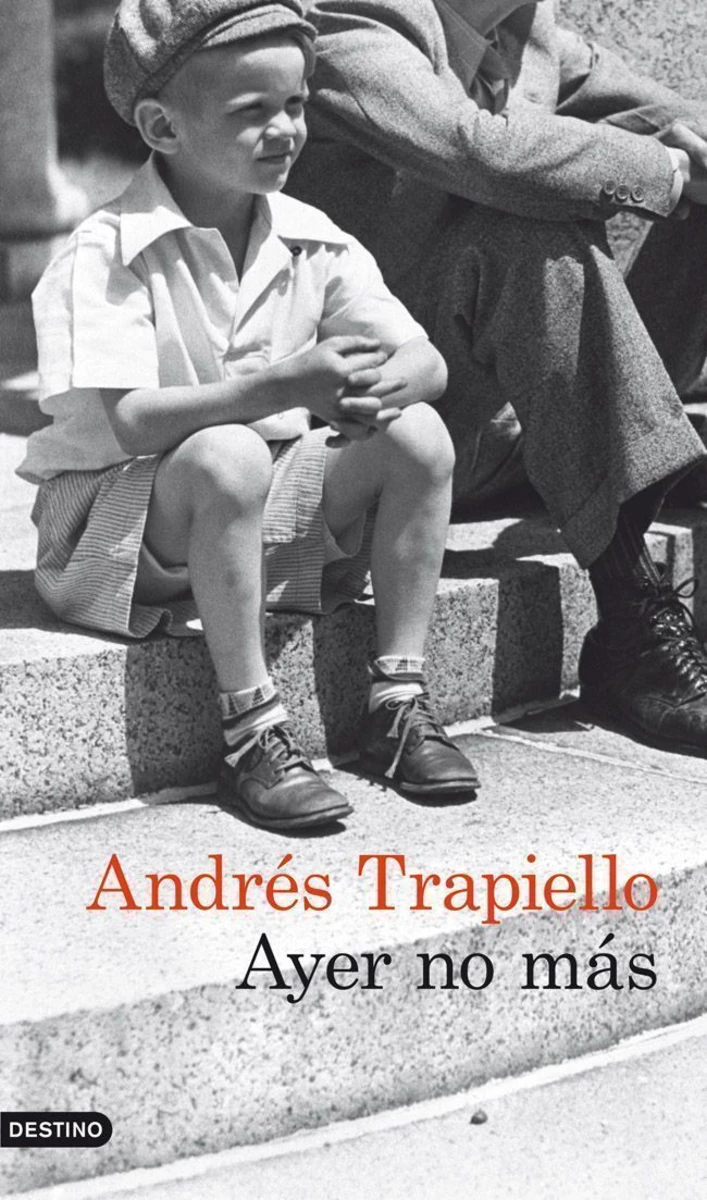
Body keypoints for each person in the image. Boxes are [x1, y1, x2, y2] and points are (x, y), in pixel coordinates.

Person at [17, 0, 481, 831]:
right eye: (252, 110)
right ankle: (250, 731)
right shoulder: (105, 251)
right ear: (162, 127)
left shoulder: (311, 237)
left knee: (417, 433)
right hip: (109, 530)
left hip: (248, 506)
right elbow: (134, 423)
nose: (287, 130)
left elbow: (428, 365)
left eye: (296, 103)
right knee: (228, 451)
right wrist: (286, 385)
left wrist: (373, 391)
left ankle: (396, 699)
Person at [287, 0, 707, 757]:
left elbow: (675, 118)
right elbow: (476, 148)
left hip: (517, 427)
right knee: (528, 225)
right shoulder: (354, 24)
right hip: (392, 435)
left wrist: (691, 157)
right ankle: (631, 626)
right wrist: (666, 169)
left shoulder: (527, 31)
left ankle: (639, 461)